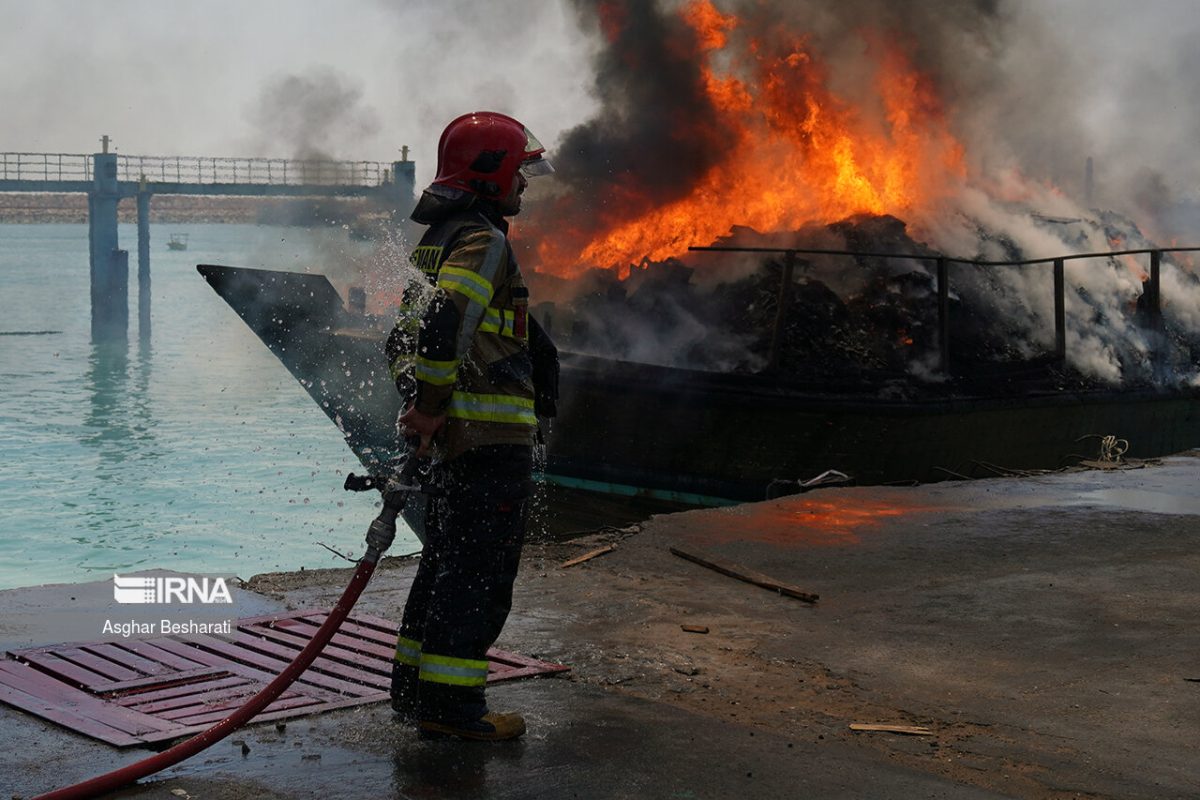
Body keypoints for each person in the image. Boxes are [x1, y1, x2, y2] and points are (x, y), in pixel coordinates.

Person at [385, 111, 556, 741]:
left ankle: (413, 693)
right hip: (487, 442)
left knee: (443, 567)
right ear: (491, 173)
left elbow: (406, 335)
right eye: (519, 173)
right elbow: (445, 325)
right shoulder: (484, 241)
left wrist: (421, 405)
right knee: (477, 580)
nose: (525, 186)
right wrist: (431, 406)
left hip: (457, 443)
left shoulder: (441, 237)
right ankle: (455, 713)